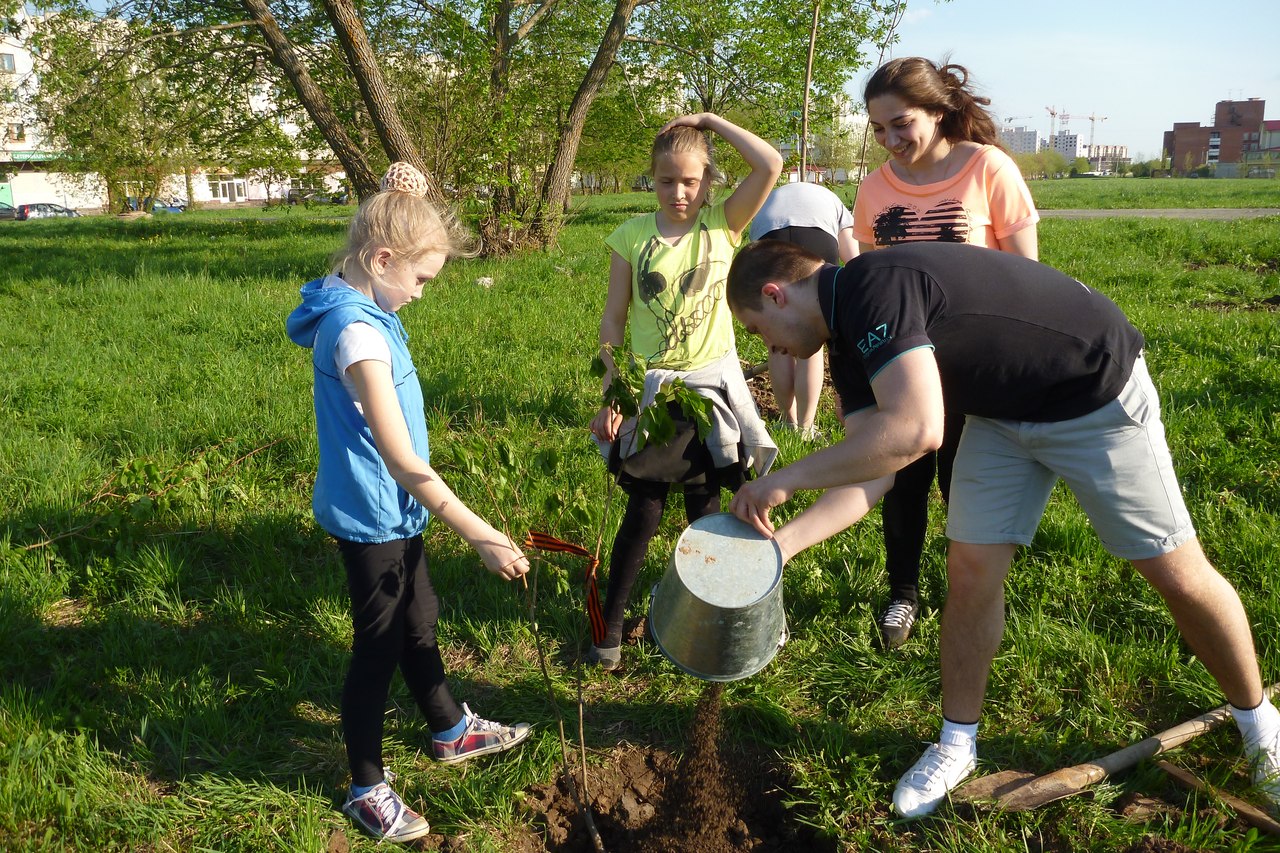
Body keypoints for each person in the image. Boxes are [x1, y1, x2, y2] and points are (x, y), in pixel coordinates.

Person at [723, 238, 1280, 819]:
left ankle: (1258, 722)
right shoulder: (844, 343)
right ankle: (957, 743)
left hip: (1091, 390)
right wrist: (780, 548)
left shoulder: (873, 284)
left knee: (1176, 572)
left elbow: (917, 429)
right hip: (1003, 412)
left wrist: (781, 480)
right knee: (969, 570)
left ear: (775, 293)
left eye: (758, 330)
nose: (769, 347)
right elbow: (876, 472)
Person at [286, 162, 533, 844]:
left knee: (419, 616)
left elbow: (389, 229)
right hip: (373, 516)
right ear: (382, 258)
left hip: (395, 509)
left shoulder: (362, 294)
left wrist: (407, 195)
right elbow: (401, 459)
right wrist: (480, 532)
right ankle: (365, 786)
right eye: (421, 279)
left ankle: (449, 728)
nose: (423, 294)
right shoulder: (358, 335)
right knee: (379, 646)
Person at [853, 57, 1040, 650]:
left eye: (901, 124)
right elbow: (867, 282)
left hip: (974, 368)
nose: (890, 140)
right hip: (904, 368)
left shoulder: (989, 169)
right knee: (904, 481)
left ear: (938, 112)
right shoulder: (874, 187)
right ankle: (902, 594)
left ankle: (976, 596)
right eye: (879, 130)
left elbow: (1026, 277)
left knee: (968, 486)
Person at [587, 113, 783, 671]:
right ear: (651, 179)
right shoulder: (630, 237)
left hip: (714, 395)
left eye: (691, 181)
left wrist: (710, 121)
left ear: (708, 182)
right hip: (658, 397)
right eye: (667, 180)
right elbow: (614, 318)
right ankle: (613, 629)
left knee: (709, 512)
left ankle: (707, 625)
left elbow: (770, 163)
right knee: (644, 510)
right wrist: (613, 391)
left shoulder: (724, 224)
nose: (679, 192)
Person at [748, 181, 857, 441]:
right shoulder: (836, 204)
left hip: (768, 239)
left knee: (779, 342)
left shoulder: (772, 197)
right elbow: (853, 261)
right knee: (811, 339)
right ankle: (806, 428)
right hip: (817, 237)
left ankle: (788, 421)